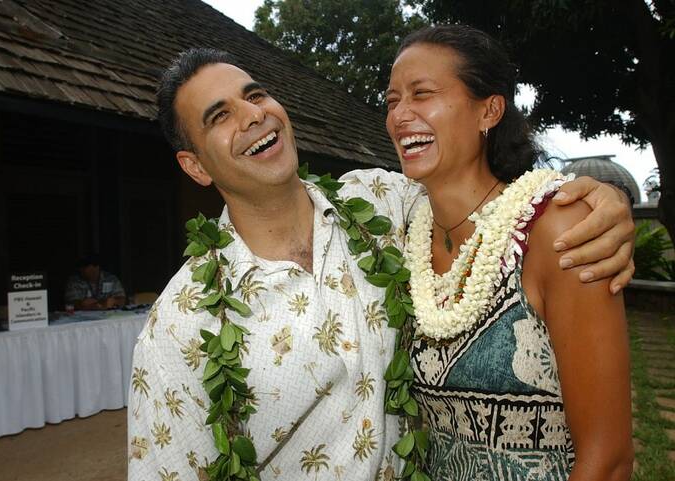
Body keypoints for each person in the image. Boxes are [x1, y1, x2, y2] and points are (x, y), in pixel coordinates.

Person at [127, 48, 634, 481]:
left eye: (255, 95)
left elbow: (484, 193)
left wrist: (601, 198)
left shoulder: (385, 203)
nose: (253, 115)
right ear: (194, 166)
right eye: (219, 116)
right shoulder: (179, 324)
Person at [385, 26, 633, 480]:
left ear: (490, 110)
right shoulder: (397, 233)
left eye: (422, 94)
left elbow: (609, 460)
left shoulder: (555, 227)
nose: (401, 114)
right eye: (392, 100)